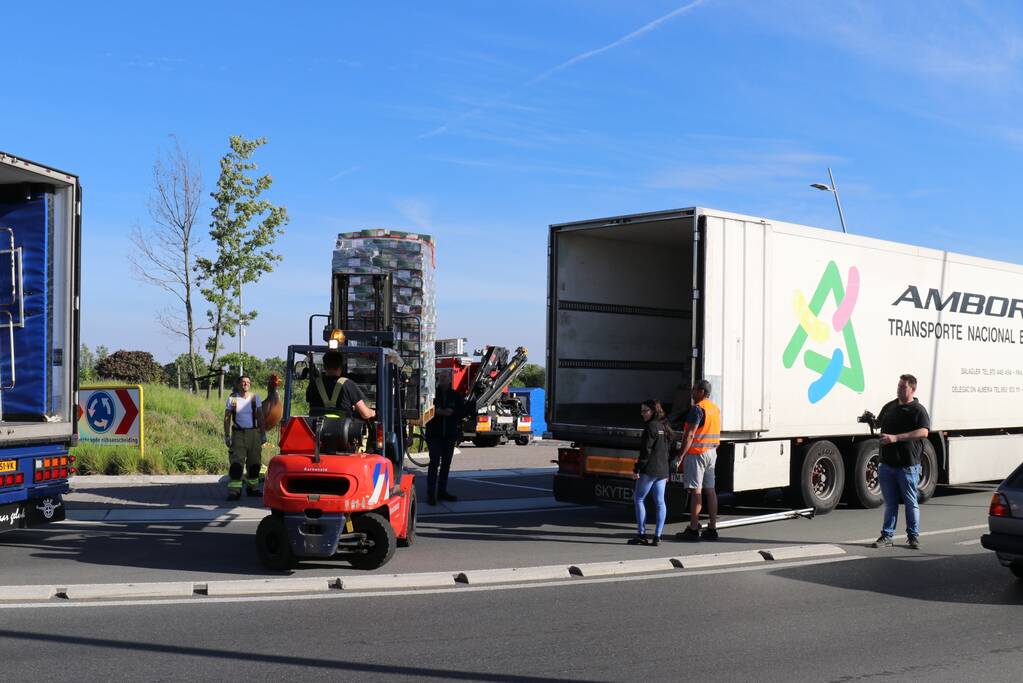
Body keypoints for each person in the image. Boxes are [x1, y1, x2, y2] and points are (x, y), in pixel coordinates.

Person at [872, 373, 930, 550]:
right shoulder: (890, 406)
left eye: (903, 387)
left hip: (907, 465)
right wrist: (871, 421)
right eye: (898, 386)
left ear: (913, 389)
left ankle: (913, 537)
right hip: (887, 464)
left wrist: (895, 438)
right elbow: (877, 424)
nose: (899, 389)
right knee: (890, 503)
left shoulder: (918, 410)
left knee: (911, 502)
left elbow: (924, 432)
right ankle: (887, 536)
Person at [676, 379, 721, 541]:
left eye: (694, 390)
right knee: (710, 490)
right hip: (712, 452)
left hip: (697, 453)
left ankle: (694, 529)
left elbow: (690, 435)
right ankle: (712, 528)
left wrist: (680, 455)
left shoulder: (697, 409)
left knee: (696, 491)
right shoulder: (715, 409)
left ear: (701, 392)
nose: (692, 392)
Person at [628, 399, 671, 546]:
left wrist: (637, 469)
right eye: (641, 411)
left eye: (645, 411)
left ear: (653, 411)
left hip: (649, 470)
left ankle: (641, 534)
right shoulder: (665, 426)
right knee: (660, 502)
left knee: (639, 499)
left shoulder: (650, 427)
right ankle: (658, 536)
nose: (642, 414)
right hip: (662, 470)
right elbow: (667, 450)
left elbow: (645, 451)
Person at [223, 375, 267, 501]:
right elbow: (227, 418)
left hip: (254, 434)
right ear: (238, 384)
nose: (245, 384)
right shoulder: (232, 399)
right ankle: (234, 491)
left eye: (248, 382)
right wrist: (227, 436)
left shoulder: (255, 398)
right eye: (243, 382)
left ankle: (252, 488)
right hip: (238, 434)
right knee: (236, 464)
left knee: (255, 464)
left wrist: (263, 434)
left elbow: (260, 416)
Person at [425, 376, 465, 505]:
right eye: (441, 378)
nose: (442, 381)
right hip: (434, 435)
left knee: (446, 464)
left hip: (449, 435)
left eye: (445, 378)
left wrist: (452, 412)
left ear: (449, 380)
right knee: (434, 463)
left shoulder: (455, 395)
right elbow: (424, 409)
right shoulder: (432, 395)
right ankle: (431, 493)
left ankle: (442, 491)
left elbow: (463, 411)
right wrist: (436, 412)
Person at [305, 350, 376, 421]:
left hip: (315, 429)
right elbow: (365, 414)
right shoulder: (348, 384)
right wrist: (372, 412)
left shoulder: (313, 384)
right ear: (341, 366)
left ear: (324, 366)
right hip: (342, 430)